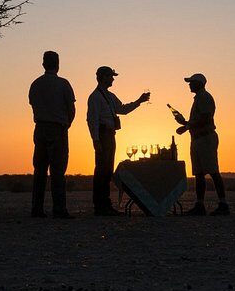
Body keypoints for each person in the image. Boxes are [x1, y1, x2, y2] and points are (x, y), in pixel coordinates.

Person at [86, 66, 150, 215]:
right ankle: (100, 206)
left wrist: (139, 101)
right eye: (110, 76)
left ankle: (105, 205)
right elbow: (92, 120)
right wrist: (96, 140)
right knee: (102, 170)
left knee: (107, 171)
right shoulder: (95, 97)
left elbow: (122, 109)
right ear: (102, 77)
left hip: (109, 135)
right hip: (103, 135)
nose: (113, 79)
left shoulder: (109, 96)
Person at [170, 73, 228, 215]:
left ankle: (223, 204)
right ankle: (200, 205)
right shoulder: (200, 98)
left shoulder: (204, 97)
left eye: (192, 82)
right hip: (198, 139)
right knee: (199, 173)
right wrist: (185, 123)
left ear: (200, 84)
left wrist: (186, 127)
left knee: (213, 172)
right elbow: (199, 120)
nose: (189, 84)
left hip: (205, 139)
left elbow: (206, 118)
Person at [28, 50, 76, 218]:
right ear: (58, 64)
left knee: (39, 170)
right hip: (58, 128)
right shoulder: (63, 84)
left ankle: (37, 208)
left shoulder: (35, 84)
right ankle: (59, 209)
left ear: (43, 64)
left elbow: (33, 105)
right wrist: (66, 124)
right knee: (58, 171)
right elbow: (71, 109)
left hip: (40, 128)